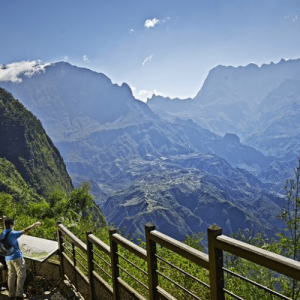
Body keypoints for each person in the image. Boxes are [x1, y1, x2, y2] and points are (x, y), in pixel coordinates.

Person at [0, 219, 41, 300]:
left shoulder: (2, 233)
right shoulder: (13, 233)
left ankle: (11, 294)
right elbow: (25, 230)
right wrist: (34, 224)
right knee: (21, 275)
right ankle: (19, 294)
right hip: (16, 257)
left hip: (7, 258)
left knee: (11, 275)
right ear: (11, 224)